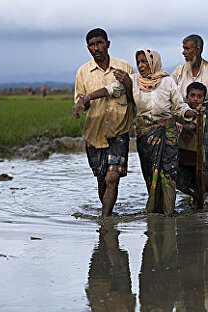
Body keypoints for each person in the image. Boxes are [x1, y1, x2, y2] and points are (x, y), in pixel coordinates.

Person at [74, 48, 199, 216]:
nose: (140, 65)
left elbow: (179, 107)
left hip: (167, 135)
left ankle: (169, 213)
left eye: (144, 61)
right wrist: (87, 98)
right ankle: (155, 212)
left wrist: (190, 113)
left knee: (168, 174)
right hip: (146, 135)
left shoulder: (167, 82)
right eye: (138, 62)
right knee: (150, 174)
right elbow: (109, 90)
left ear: (153, 62)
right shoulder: (133, 81)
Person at [73, 28, 134, 217]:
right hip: (94, 133)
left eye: (100, 43)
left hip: (119, 131)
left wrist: (129, 85)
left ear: (108, 44)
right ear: (88, 48)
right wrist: (80, 105)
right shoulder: (83, 72)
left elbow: (135, 99)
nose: (96, 47)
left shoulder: (124, 68)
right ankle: (108, 213)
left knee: (112, 177)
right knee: (101, 179)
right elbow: (80, 99)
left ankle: (106, 219)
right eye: (92, 44)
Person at [172, 34, 208, 192]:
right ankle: (186, 186)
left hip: (205, 112)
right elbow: (169, 92)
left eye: (187, 48)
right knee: (181, 150)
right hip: (183, 110)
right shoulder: (180, 70)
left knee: (203, 151)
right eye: (183, 48)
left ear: (198, 50)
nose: (184, 52)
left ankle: (201, 193)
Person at [177, 82, 207, 197]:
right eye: (192, 95)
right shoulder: (181, 110)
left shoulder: (201, 114)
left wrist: (181, 126)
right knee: (179, 183)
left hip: (195, 155)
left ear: (203, 99)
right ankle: (194, 198)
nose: (195, 99)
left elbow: (193, 127)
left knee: (195, 184)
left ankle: (196, 200)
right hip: (181, 154)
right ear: (187, 96)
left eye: (199, 96)